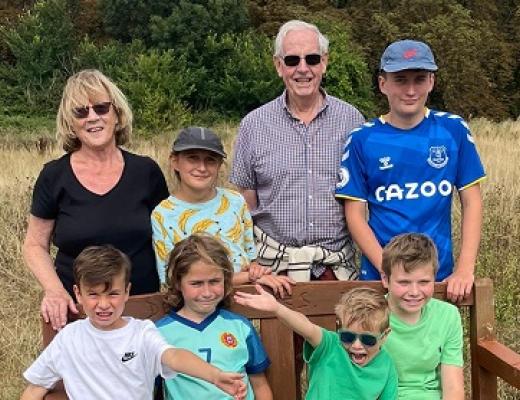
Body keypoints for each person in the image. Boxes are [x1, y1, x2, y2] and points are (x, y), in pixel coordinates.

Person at [336, 39, 485, 302]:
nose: (411, 90)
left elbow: (472, 201)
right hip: (380, 278)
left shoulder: (453, 130)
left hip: (437, 278)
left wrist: (464, 269)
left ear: (431, 82)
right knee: (381, 343)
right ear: (383, 84)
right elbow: (355, 215)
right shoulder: (362, 138)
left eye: (419, 79)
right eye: (401, 79)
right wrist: (388, 269)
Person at [22, 69, 169, 331]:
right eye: (81, 112)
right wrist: (54, 291)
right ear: (70, 122)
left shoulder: (146, 172)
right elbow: (34, 245)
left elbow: (170, 235)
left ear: (117, 114)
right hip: (78, 313)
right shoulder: (54, 176)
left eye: (101, 108)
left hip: (142, 310)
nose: (92, 117)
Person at [230, 20, 364, 282]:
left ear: (324, 62)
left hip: (336, 269)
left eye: (312, 59)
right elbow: (246, 201)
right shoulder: (254, 125)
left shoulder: (352, 120)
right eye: (292, 60)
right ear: (279, 66)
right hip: (275, 270)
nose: (303, 69)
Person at [21, 245, 247, 400]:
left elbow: (174, 356)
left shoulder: (141, 332)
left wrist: (214, 375)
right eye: (93, 295)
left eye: (112, 294)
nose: (103, 305)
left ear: (127, 292)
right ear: (78, 294)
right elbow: (36, 388)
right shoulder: (68, 339)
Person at [152, 126, 293, 297]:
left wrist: (256, 271)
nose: (202, 167)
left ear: (220, 165)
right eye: (192, 159)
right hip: (197, 307)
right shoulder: (163, 214)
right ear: (175, 161)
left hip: (243, 301)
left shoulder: (235, 201)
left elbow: (249, 257)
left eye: (210, 160)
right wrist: (246, 277)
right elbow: (171, 279)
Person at [156, 234, 273, 400]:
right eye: (196, 283)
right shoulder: (159, 333)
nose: (207, 292)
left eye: (214, 281)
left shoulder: (240, 327)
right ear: (177, 282)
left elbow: (260, 385)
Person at [234, 285, 397, 399]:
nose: (356, 345)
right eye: (348, 337)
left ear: (384, 336)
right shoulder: (331, 346)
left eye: (367, 339)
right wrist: (277, 308)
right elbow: (306, 327)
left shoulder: (386, 364)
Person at [381, 233, 464, 399]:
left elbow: (453, 386)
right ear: (385, 279)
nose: (414, 292)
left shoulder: (447, 316)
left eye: (424, 282)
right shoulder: (370, 316)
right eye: (404, 282)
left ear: (434, 278)